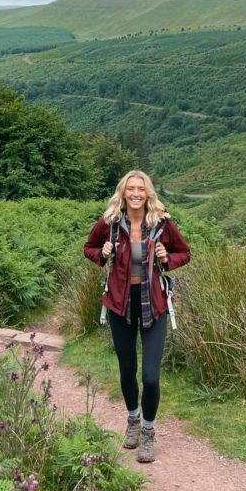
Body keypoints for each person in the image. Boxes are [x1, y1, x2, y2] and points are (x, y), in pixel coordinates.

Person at [84, 170, 191, 463]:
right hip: (120, 307)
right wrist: (102, 253)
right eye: (130, 188)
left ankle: (147, 432)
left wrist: (166, 258)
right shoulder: (110, 224)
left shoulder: (162, 223)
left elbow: (185, 253)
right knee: (127, 371)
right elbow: (89, 248)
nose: (135, 193)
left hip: (153, 306)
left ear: (147, 194)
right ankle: (132, 420)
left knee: (151, 377)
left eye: (140, 189)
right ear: (122, 192)